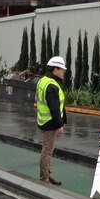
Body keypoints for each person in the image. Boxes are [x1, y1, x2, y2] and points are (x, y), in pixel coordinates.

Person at [37, 55, 68, 185]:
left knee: (48, 150)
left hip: (44, 121)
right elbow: (54, 107)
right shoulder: (51, 85)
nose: (63, 72)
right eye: (62, 69)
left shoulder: (44, 80)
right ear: (56, 69)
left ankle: (47, 175)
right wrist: (59, 124)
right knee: (47, 151)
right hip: (50, 122)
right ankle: (44, 178)